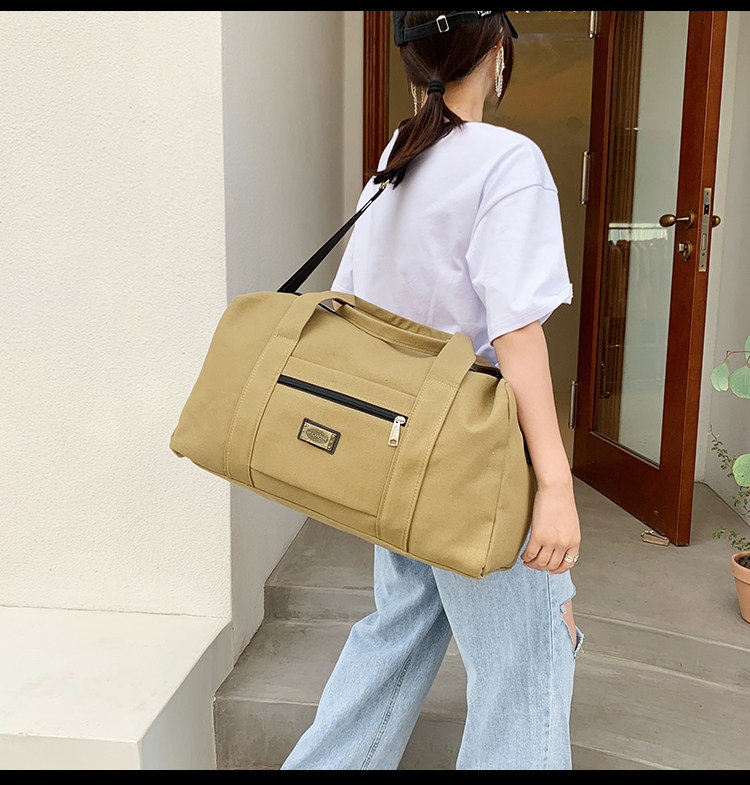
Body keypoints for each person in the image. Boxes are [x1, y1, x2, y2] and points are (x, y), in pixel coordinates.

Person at [282, 11, 583, 771]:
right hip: (476, 458)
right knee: (525, 669)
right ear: (495, 50)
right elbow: (515, 330)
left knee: (395, 640)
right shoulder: (508, 160)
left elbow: (356, 308)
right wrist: (554, 483)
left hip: (401, 445)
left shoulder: (397, 158)